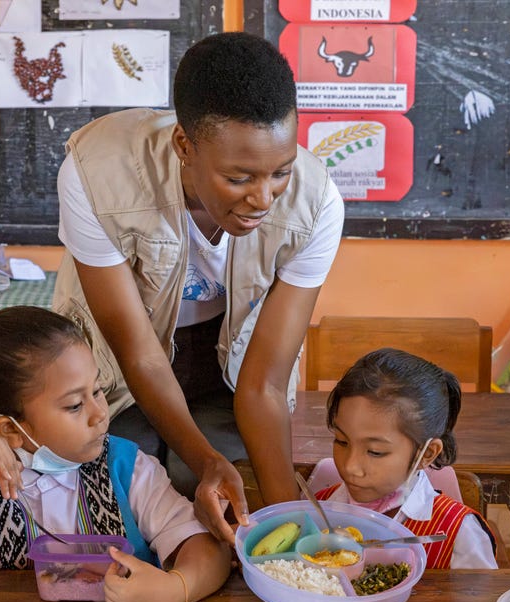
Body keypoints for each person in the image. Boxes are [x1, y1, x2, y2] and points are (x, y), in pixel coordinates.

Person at [52, 31, 345, 541]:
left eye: (280, 172)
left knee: (232, 513)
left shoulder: (316, 203)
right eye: (239, 178)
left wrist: (292, 532)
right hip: (120, 367)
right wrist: (206, 459)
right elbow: (139, 354)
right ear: (184, 146)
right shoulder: (96, 171)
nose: (263, 198)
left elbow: (264, 383)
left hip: (226, 365)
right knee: (121, 493)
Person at [0, 306, 231, 602]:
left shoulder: (126, 469)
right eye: (74, 405)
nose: (100, 414)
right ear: (10, 428)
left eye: (96, 390)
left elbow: (206, 547)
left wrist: (177, 588)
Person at [306, 348, 498, 569]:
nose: (350, 467)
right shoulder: (319, 510)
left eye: (375, 452)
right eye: (341, 441)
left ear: (426, 454)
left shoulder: (458, 534)